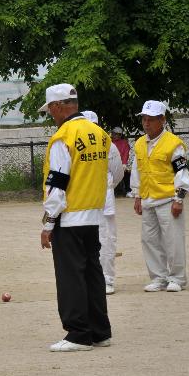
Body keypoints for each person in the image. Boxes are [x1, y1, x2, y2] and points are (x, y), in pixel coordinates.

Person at [38, 84, 112, 352]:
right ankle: (100, 330)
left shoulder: (63, 137)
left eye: (50, 110)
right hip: (94, 215)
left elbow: (57, 184)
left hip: (69, 217)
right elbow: (112, 173)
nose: (50, 115)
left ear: (58, 107)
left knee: (70, 278)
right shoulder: (100, 134)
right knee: (93, 274)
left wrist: (48, 223)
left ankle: (78, 334)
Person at [131, 100, 189, 293]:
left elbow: (182, 172)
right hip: (148, 199)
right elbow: (136, 171)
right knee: (149, 241)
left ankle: (177, 278)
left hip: (168, 200)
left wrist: (179, 198)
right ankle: (158, 277)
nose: (146, 124)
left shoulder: (174, 144)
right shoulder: (140, 144)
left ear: (162, 120)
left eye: (151, 120)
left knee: (173, 240)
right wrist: (137, 196)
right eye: (144, 119)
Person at [83, 111, 124, 294]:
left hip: (104, 201)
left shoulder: (108, 144)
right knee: (84, 241)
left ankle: (107, 279)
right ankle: (89, 279)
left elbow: (117, 173)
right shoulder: (77, 144)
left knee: (106, 240)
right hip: (82, 201)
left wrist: (107, 187)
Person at [111, 127, 133, 196]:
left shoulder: (124, 143)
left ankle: (128, 190)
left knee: (127, 173)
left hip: (121, 163)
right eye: (115, 134)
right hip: (111, 163)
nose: (117, 136)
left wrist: (124, 163)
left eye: (119, 134)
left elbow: (126, 153)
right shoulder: (109, 141)